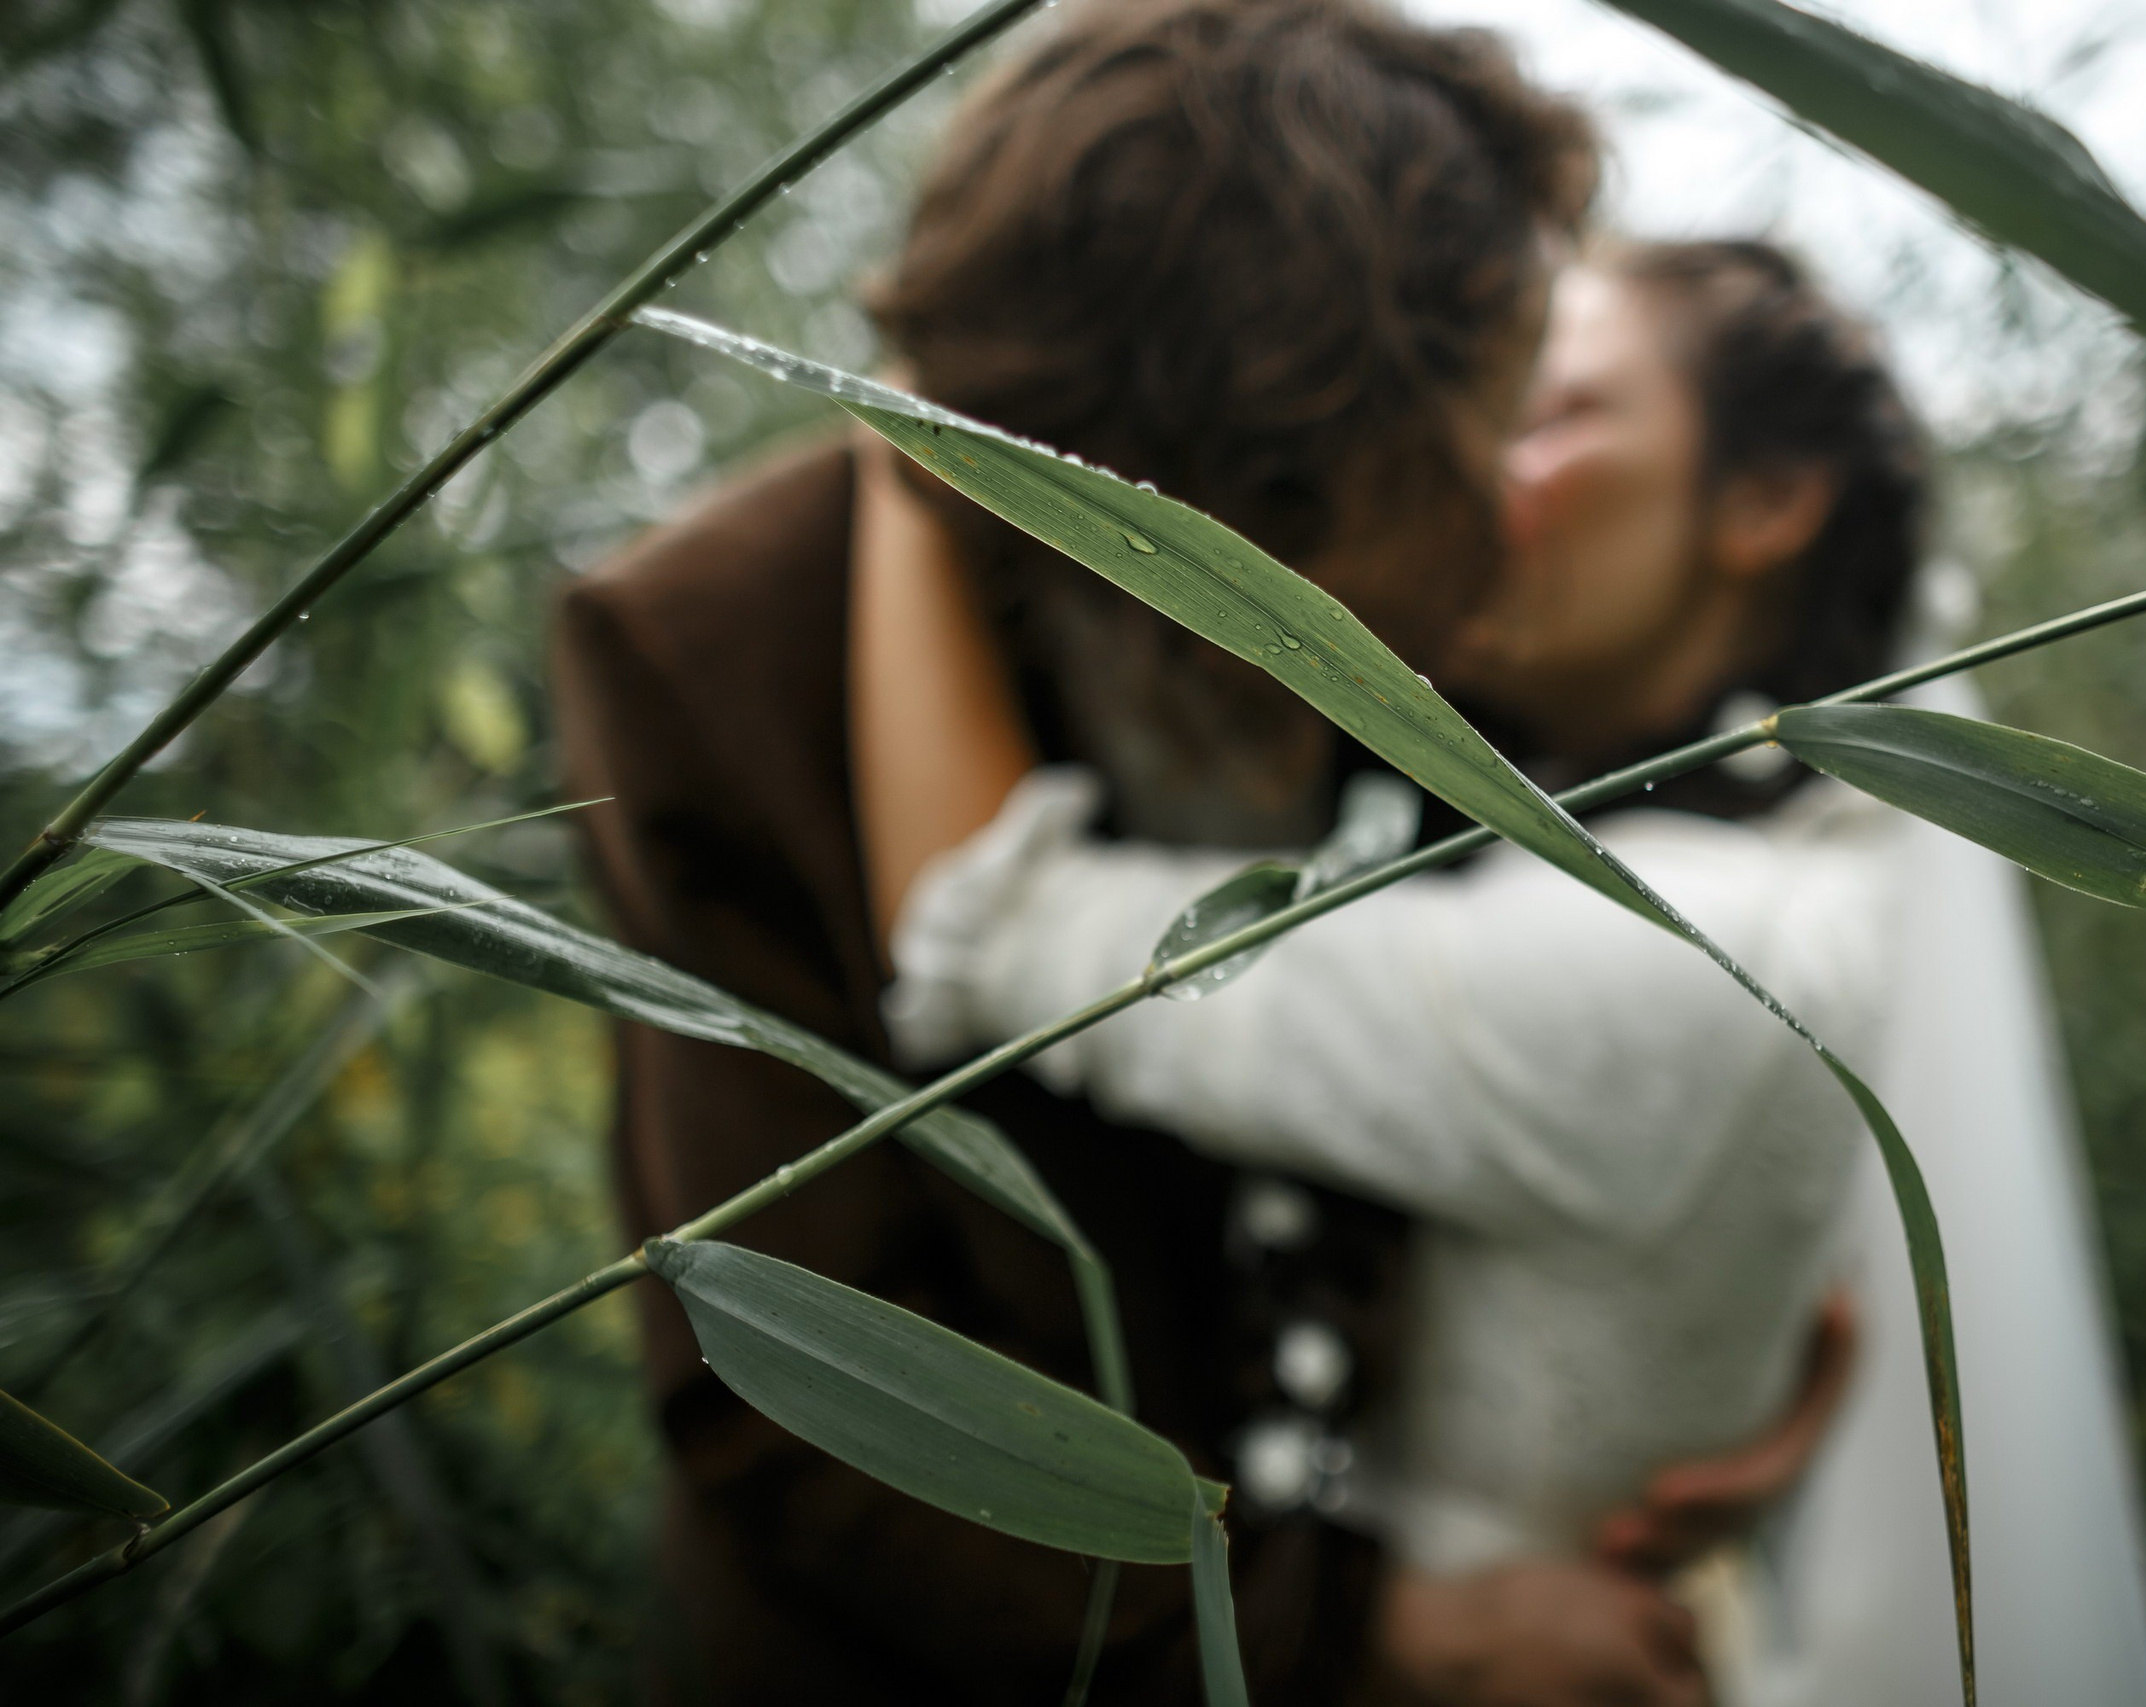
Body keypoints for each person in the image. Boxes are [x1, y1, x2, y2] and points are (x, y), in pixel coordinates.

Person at [554, 3, 1826, 1702]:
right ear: (1241, 514)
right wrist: (1374, 1631)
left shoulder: (1462, 580)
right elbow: (788, 1394)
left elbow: (1542, 1044)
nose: (1532, 484)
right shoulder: (710, 661)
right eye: (1493, 418)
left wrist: (1710, 1345)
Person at [873, 241, 2146, 1705]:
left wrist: (908, 440)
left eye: (1553, 416)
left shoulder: (1692, 951)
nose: (1465, 469)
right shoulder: (1747, 856)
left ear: (1763, 505)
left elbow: (984, 926)